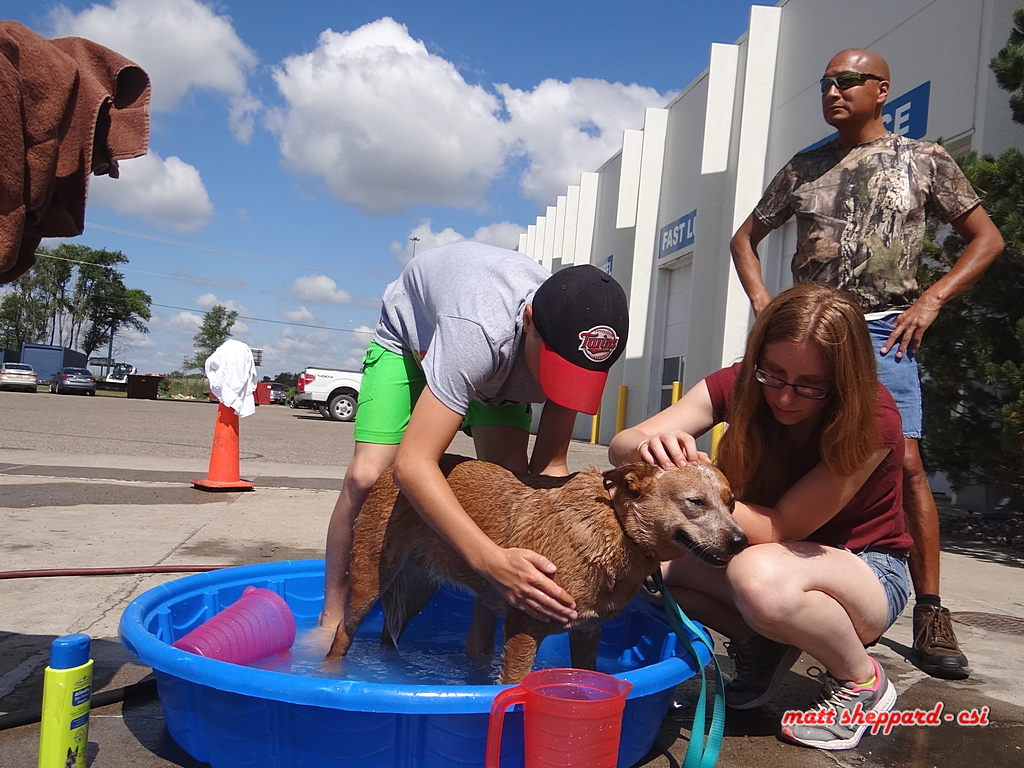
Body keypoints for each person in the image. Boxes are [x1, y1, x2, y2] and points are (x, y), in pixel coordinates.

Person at [730, 48, 1004, 679]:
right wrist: (764, 303)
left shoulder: (924, 159)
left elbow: (986, 238)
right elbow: (745, 237)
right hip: (813, 338)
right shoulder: (803, 166)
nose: (834, 90)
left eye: (849, 81)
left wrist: (933, 299)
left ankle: (930, 608)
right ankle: (789, 593)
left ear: (882, 90)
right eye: (827, 82)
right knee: (782, 449)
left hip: (884, 335)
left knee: (904, 463)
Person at [609, 284, 912, 750]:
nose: (787, 398)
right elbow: (622, 444)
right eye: (774, 375)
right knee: (638, 568)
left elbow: (781, 528)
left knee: (758, 577)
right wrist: (647, 447)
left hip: (866, 570)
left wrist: (700, 496)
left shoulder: (873, 420)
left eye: (810, 384)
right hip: (776, 557)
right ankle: (762, 648)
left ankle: (863, 681)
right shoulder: (740, 384)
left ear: (845, 378)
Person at [321, 241, 629, 653]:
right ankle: (331, 614)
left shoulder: (581, 339)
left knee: (510, 490)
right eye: (560, 369)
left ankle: (479, 643)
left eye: (578, 376)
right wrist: (488, 560)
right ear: (531, 321)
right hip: (415, 336)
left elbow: (548, 472)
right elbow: (412, 466)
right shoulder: (479, 330)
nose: (562, 388)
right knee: (366, 477)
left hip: (500, 364)